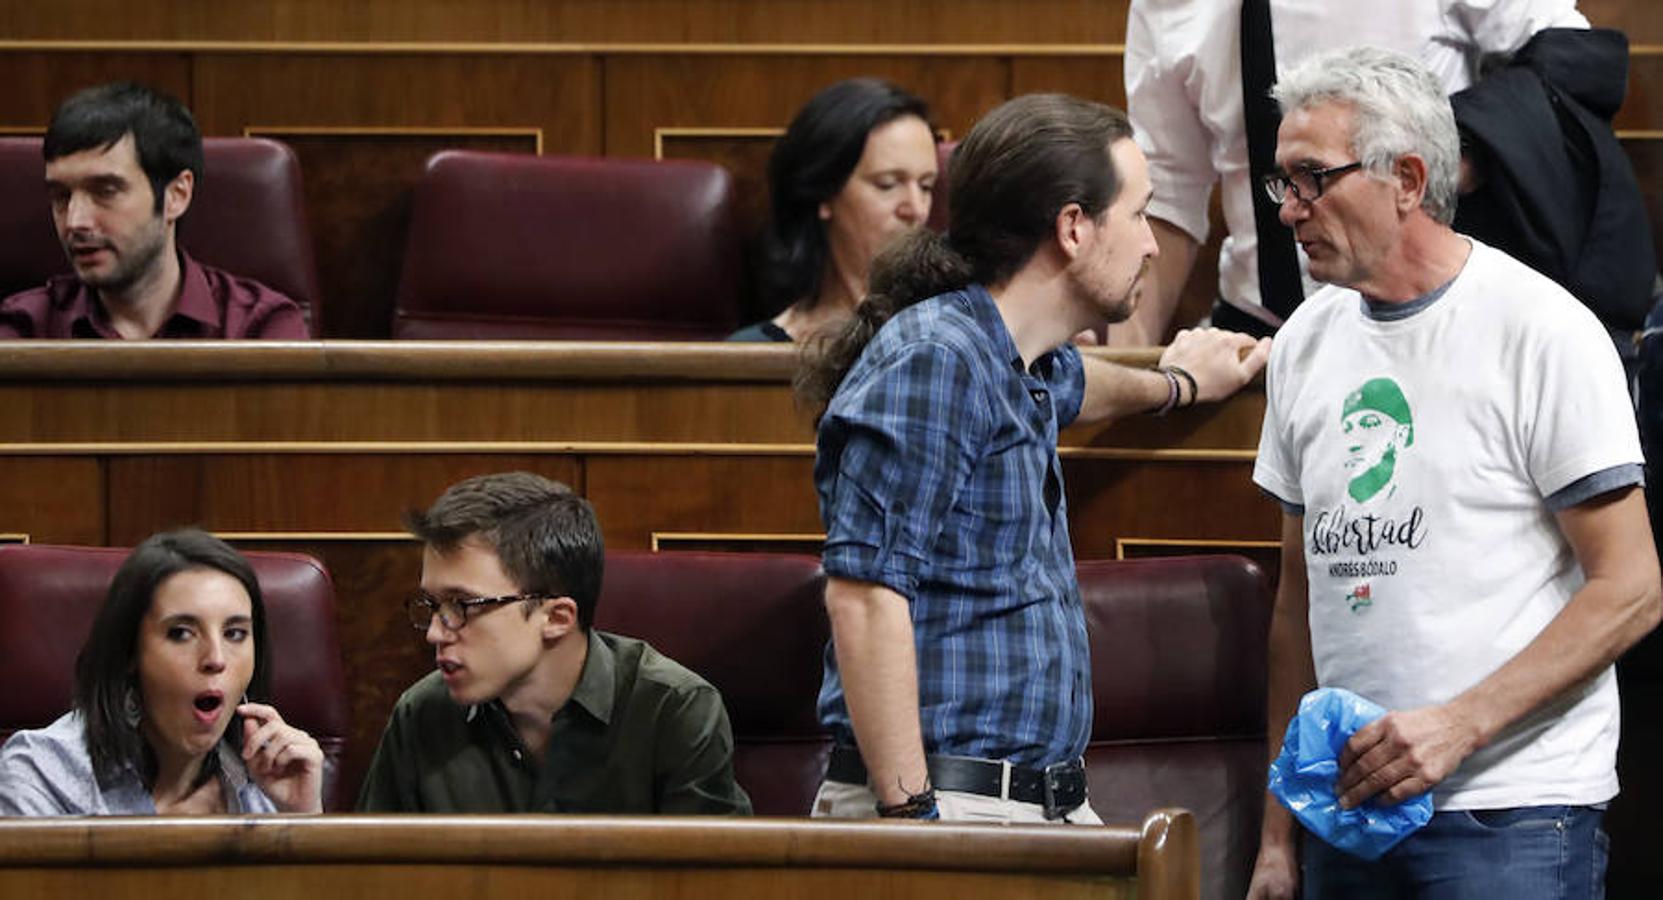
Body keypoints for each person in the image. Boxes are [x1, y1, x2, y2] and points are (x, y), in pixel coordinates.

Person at [1247, 46, 1661, 898]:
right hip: (1345, 815)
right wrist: (1276, 835)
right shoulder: (1302, 344)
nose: (1289, 211)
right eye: (1280, 182)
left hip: (1509, 815)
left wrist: (1455, 729)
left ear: (1405, 177)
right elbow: (1298, 604)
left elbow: (1630, 589)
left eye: (1310, 179)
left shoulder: (1539, 329)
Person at [799, 93, 1271, 823]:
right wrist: (908, 821)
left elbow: (1078, 387)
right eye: (1140, 213)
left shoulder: (1012, 359)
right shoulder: (937, 358)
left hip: (1028, 803)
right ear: (1073, 227)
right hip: (947, 805)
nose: (1151, 244)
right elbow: (862, 597)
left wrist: (1176, 385)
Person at [1121, 0, 1592, 345]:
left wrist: (1453, 158)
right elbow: (1169, 185)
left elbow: (1571, 55)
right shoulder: (1164, 8)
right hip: (1260, 331)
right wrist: (1128, 348)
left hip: (1429, 319)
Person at [356, 472, 752, 814]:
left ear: (556, 617)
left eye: (462, 605)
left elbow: (718, 882)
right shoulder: (421, 714)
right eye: (433, 604)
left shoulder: (673, 710)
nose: (435, 632)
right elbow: (373, 878)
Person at [0, 529, 324, 815]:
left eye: (235, 633)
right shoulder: (43, 775)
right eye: (181, 633)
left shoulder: (267, 779)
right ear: (130, 653)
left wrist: (302, 818)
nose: (216, 658)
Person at [0, 82, 308, 340]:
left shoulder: (260, 328)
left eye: (105, 191)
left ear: (176, 195)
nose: (75, 221)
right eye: (60, 196)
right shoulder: (24, 328)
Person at [728, 78, 938, 343]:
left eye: (926, 186)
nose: (916, 209)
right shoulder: (749, 355)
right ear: (825, 192)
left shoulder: (956, 335)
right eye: (888, 184)